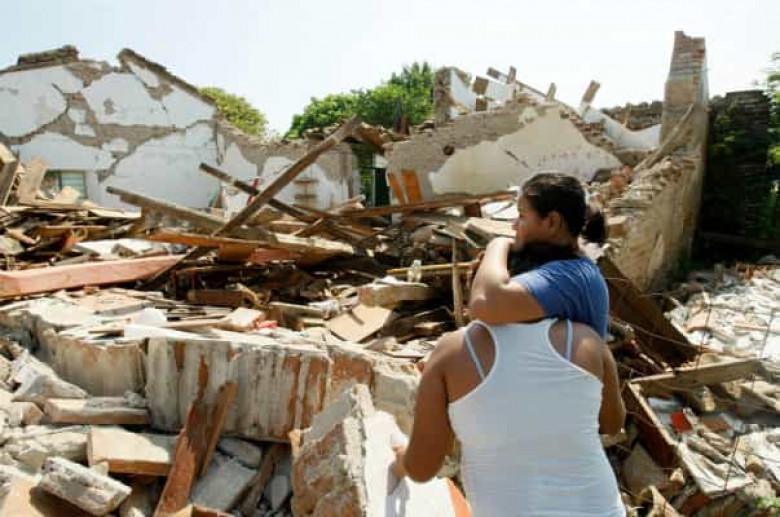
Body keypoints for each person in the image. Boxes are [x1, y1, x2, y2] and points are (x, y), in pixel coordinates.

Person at [392, 244, 626, 515]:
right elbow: (612, 423)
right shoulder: (587, 341)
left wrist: (400, 459)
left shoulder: (451, 352)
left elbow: (422, 467)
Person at [469, 172, 609, 337]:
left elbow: (485, 304)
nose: (514, 225)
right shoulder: (568, 268)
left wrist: (497, 244)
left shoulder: (571, 275)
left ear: (552, 222)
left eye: (522, 216)